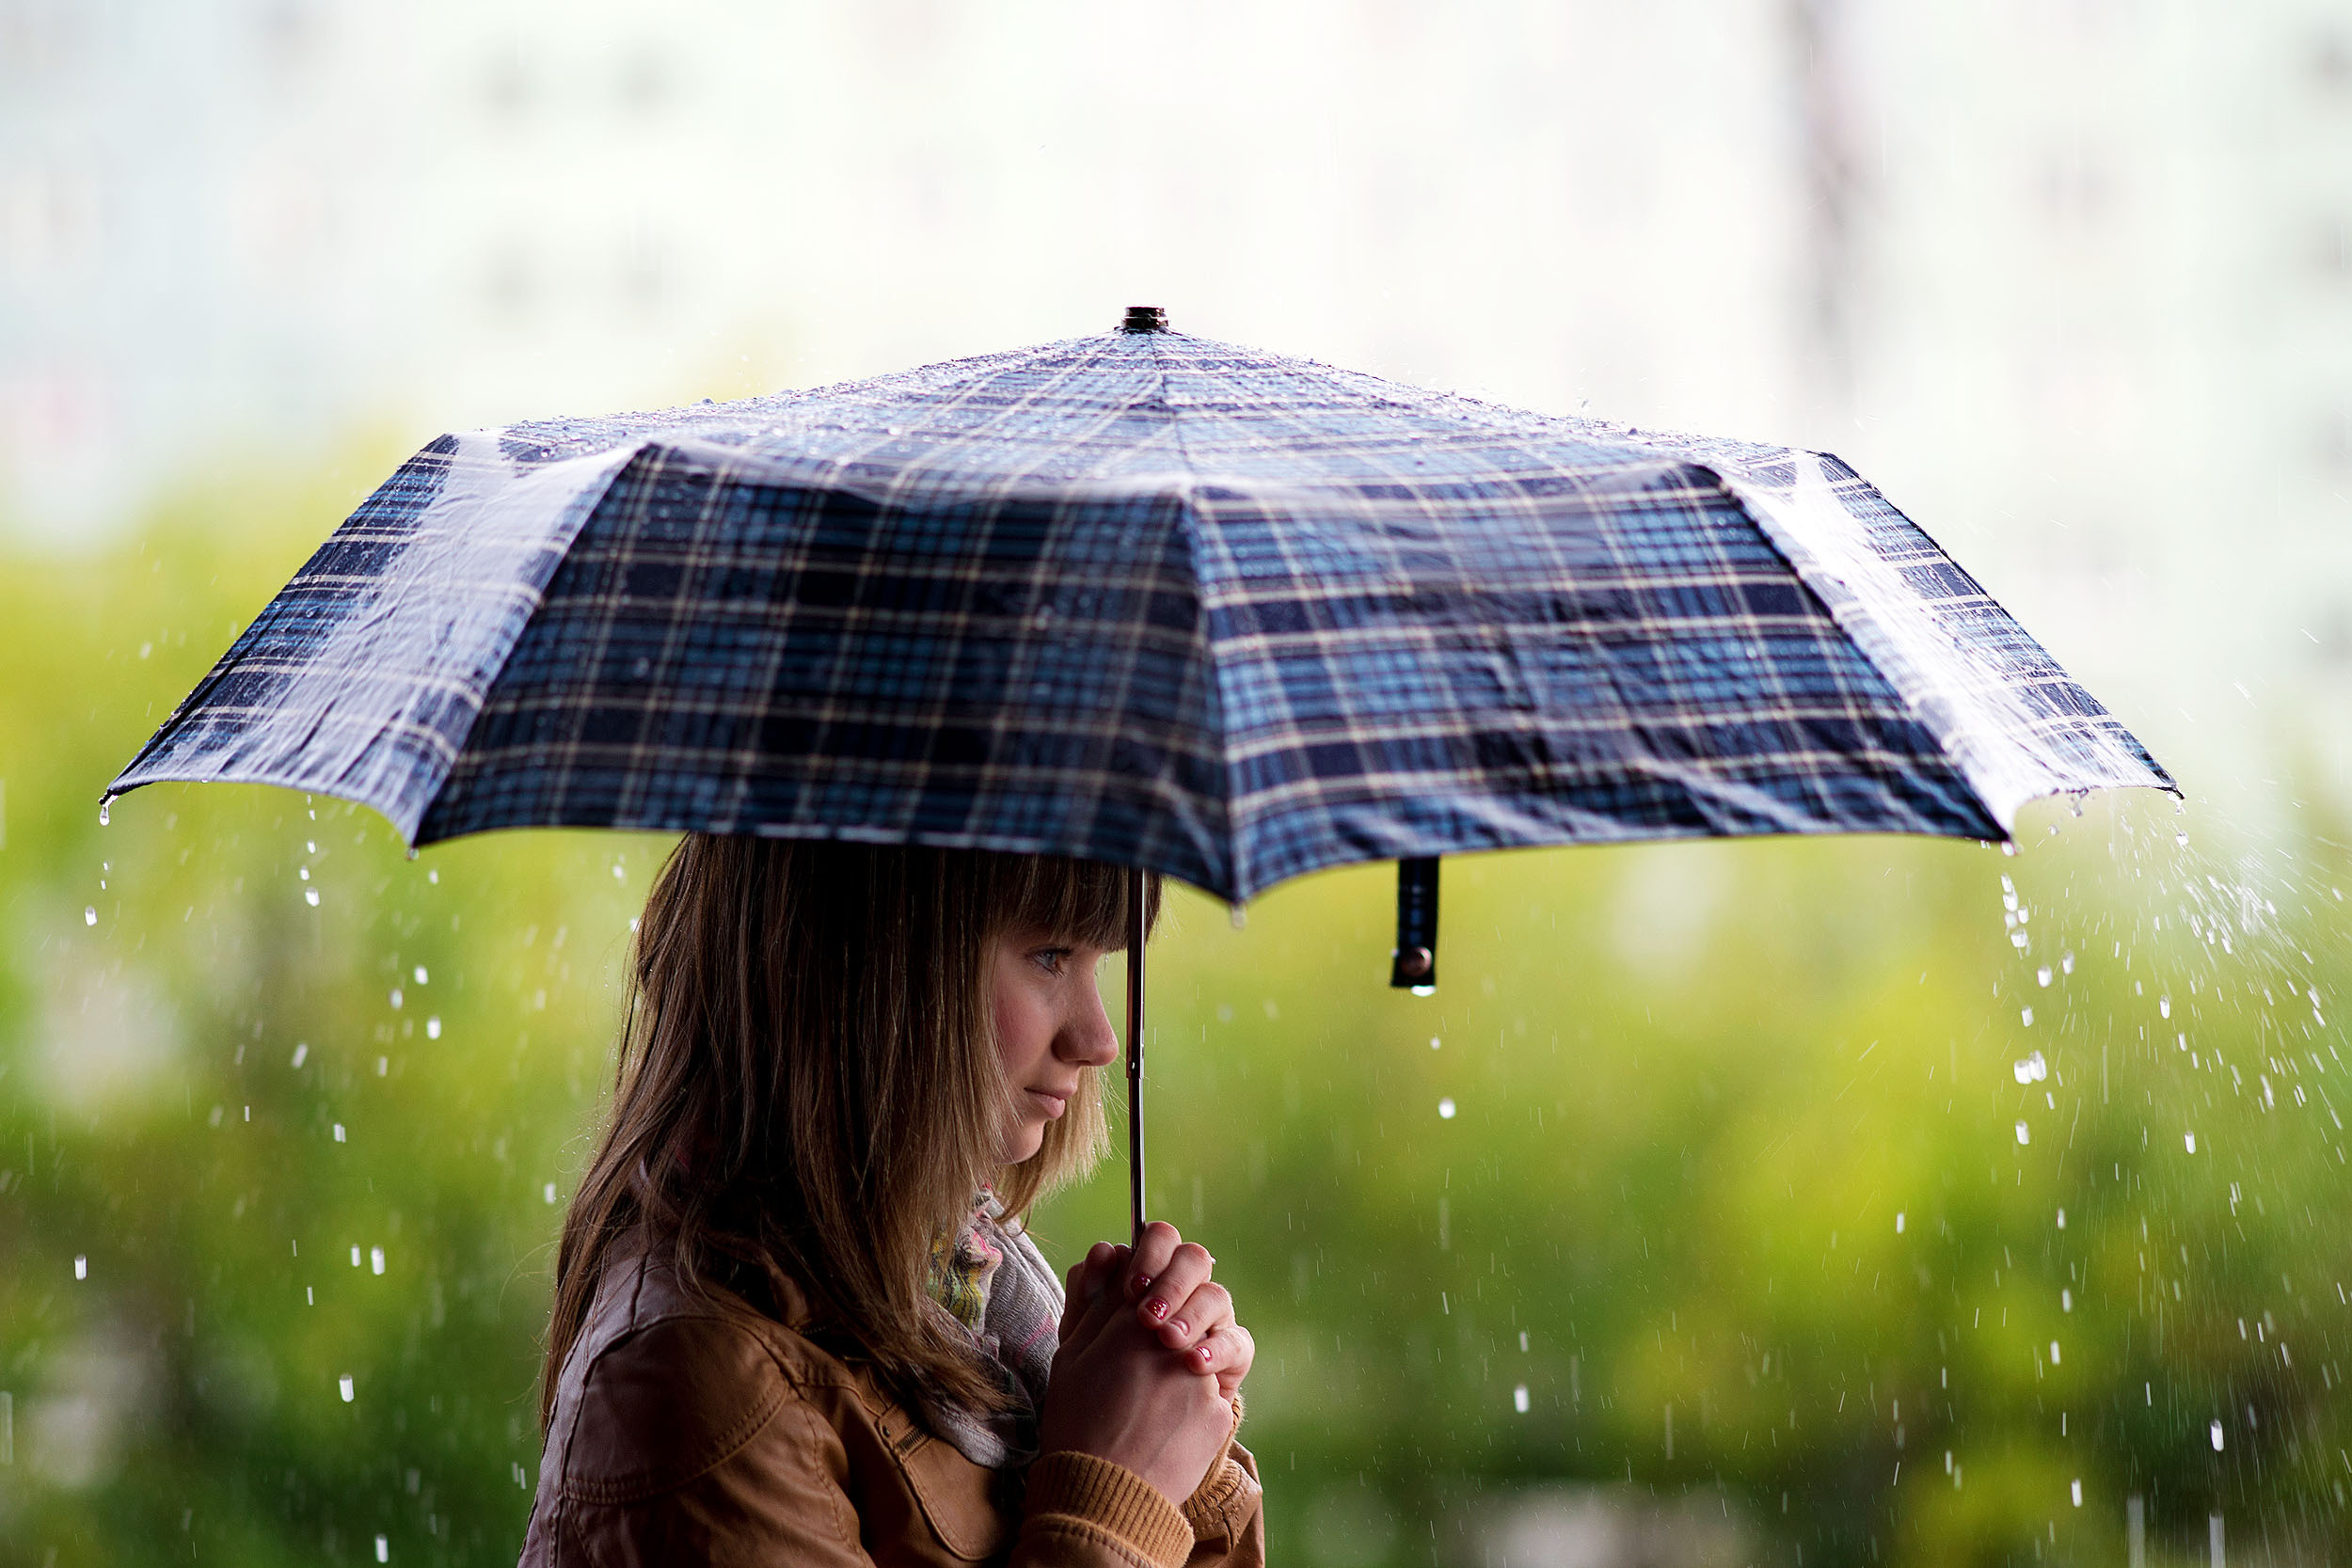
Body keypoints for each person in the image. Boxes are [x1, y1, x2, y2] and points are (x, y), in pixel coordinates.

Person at [519, 837, 1263, 1567]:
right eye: (1050, 955)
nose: (1100, 1037)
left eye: (1101, 962)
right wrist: (1117, 1502)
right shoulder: (703, 1391)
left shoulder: (971, 1306)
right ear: (874, 963)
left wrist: (1179, 1458)